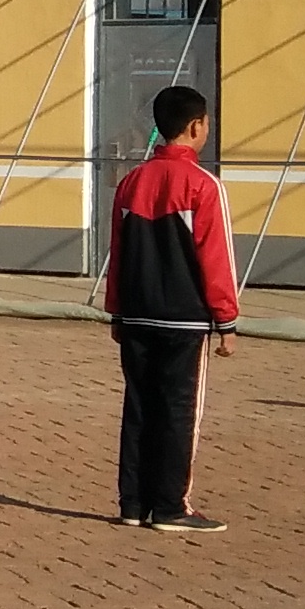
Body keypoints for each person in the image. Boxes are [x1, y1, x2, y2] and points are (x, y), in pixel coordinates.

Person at [106, 83, 242, 535]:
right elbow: (215, 256)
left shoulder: (130, 182)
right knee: (180, 410)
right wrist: (227, 321)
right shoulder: (205, 186)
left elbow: (118, 253)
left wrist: (117, 313)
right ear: (196, 126)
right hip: (185, 319)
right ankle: (170, 506)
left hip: (139, 315)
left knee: (139, 406)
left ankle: (133, 502)